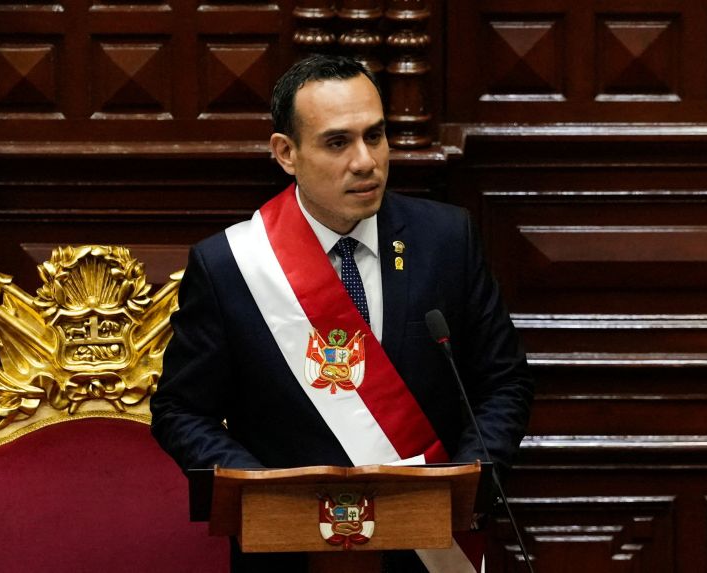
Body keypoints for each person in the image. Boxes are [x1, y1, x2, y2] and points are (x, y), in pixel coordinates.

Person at [150, 54, 534, 573]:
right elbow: (181, 411)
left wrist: (463, 484)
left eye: (374, 136)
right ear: (286, 153)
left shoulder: (446, 240)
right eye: (338, 142)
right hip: (287, 554)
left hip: (429, 549)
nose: (365, 161)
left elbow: (503, 382)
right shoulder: (229, 266)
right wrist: (264, 495)